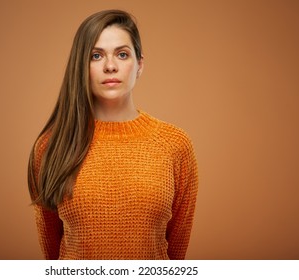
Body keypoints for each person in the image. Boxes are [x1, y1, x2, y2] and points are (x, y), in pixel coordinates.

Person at [27, 9, 198, 260]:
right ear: (81, 66)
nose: (110, 66)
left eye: (122, 54)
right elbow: (52, 252)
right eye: (96, 56)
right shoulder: (51, 146)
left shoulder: (174, 144)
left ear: (139, 65)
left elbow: (176, 250)